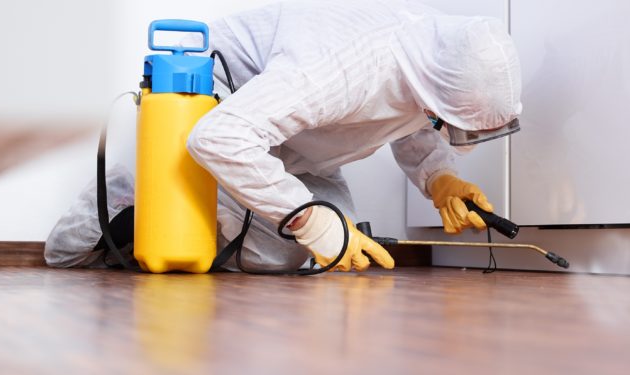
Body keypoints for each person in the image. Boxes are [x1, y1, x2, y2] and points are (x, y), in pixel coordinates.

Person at [45, 0, 522, 272]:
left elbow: (410, 113)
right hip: (221, 109)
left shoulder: (430, 58)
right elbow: (220, 137)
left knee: (327, 247)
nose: (441, 127)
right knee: (295, 245)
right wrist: (310, 223)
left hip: (298, 135)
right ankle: (138, 202)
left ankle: (199, 218)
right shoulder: (342, 68)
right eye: (445, 121)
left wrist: (438, 176)